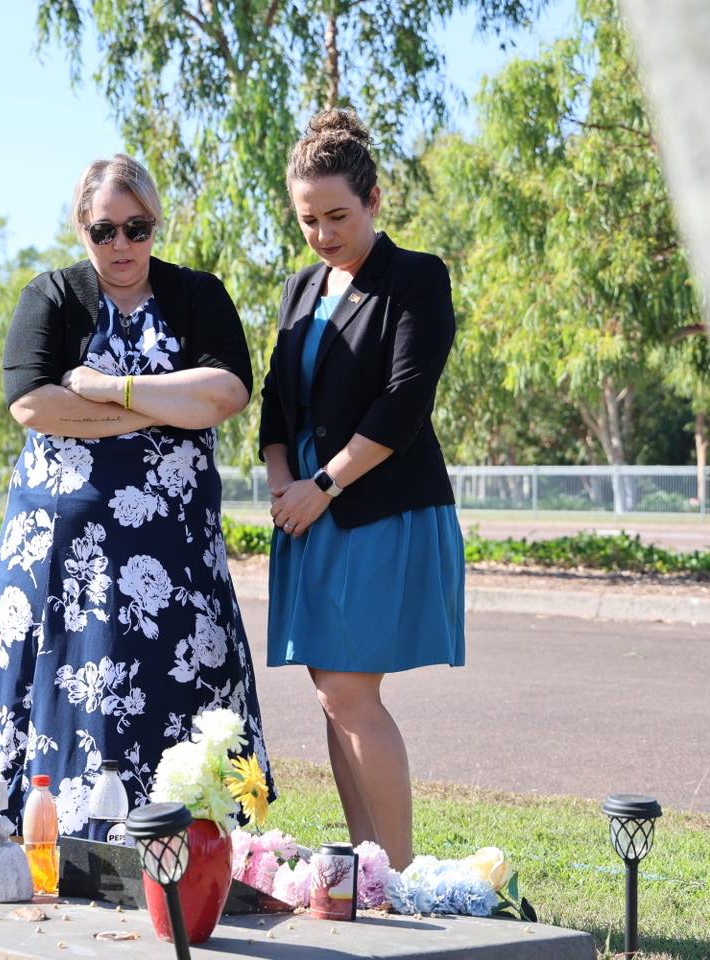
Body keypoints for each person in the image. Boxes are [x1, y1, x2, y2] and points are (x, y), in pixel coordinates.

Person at [0, 154, 273, 837]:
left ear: (156, 224)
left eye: (137, 229)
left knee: (179, 682)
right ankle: (56, 840)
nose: (121, 246)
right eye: (104, 230)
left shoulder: (198, 294)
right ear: (81, 229)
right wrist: (169, 407)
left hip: (174, 550)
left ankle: (192, 839)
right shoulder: (49, 295)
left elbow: (227, 391)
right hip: (62, 556)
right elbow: (31, 404)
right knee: (70, 688)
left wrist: (114, 391)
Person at [259, 110, 464, 870]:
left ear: (376, 200)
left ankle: (399, 879)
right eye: (308, 219)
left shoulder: (416, 278)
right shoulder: (298, 288)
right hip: (307, 513)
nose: (322, 233)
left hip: (376, 503)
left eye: (338, 215)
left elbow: (404, 402)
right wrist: (284, 487)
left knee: (349, 690)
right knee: (329, 694)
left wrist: (320, 485)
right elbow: (277, 406)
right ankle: (366, 868)